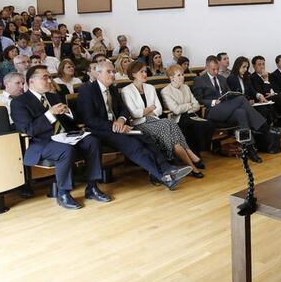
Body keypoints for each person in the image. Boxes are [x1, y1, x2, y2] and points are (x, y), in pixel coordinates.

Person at [77, 61, 193, 189]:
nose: (113, 74)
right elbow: (89, 119)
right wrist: (115, 126)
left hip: (119, 127)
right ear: (98, 74)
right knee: (134, 145)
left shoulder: (113, 90)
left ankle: (167, 168)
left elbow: (124, 110)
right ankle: (163, 177)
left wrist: (121, 120)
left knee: (146, 137)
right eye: (108, 72)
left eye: (114, 72)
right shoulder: (87, 90)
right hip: (101, 131)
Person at [10, 65, 111, 210]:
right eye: (45, 77)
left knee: (92, 141)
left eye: (50, 77)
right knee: (65, 150)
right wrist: (50, 114)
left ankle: (92, 187)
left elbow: (74, 120)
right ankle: (63, 193)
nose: (49, 80)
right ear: (31, 81)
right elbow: (29, 130)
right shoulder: (19, 102)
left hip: (65, 136)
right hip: (41, 142)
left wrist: (68, 111)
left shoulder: (52, 96)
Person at [120, 62, 205, 178]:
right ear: (134, 74)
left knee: (170, 124)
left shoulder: (150, 87)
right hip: (140, 124)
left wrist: (146, 111)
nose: (145, 74)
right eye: (142, 72)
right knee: (168, 123)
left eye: (145, 71)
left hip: (154, 119)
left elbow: (159, 109)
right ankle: (191, 157)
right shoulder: (126, 90)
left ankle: (191, 166)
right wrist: (149, 108)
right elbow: (134, 114)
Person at [193, 56, 267, 163]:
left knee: (241, 113)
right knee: (241, 99)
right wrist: (213, 102)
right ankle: (261, 125)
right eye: (213, 69)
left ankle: (250, 149)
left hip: (227, 108)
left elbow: (229, 94)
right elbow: (198, 99)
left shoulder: (222, 79)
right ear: (207, 67)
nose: (216, 71)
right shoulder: (199, 80)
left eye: (217, 69)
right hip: (212, 111)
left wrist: (230, 97)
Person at [161, 65, 215, 156]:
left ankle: (200, 150)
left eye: (182, 74)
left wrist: (186, 107)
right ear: (171, 77)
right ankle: (196, 154)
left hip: (191, 115)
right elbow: (176, 110)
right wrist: (189, 105)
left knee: (209, 124)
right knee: (196, 126)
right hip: (178, 118)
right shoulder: (165, 91)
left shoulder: (185, 87)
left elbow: (197, 105)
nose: (182, 77)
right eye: (179, 75)